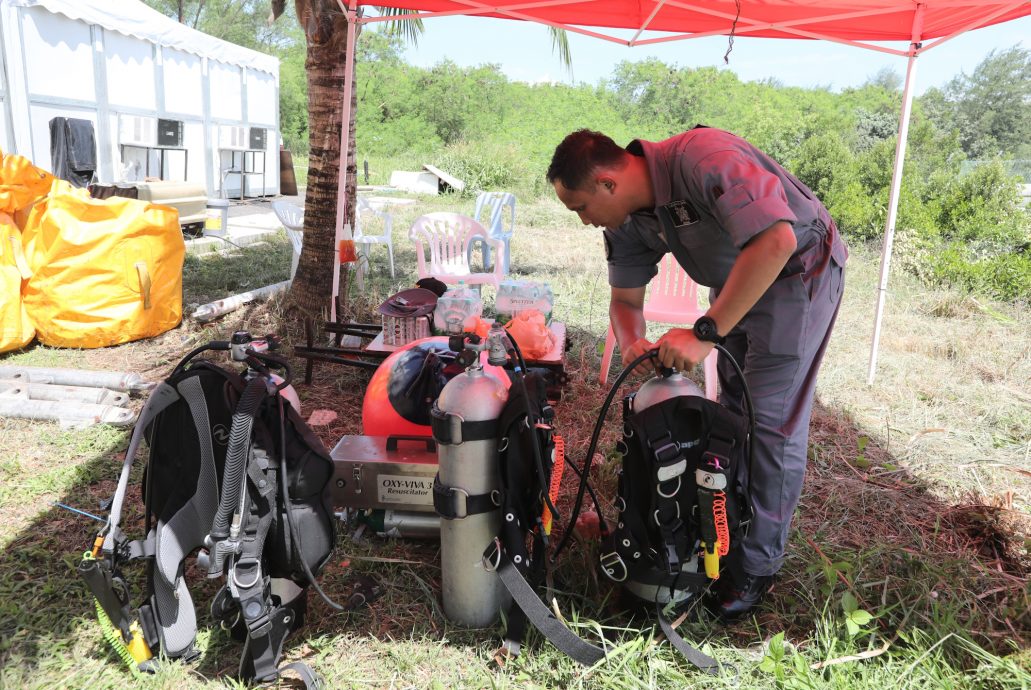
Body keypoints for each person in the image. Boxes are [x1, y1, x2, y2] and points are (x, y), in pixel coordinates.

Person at [547, 127, 847, 620]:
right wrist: (632, 344)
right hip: (738, 281)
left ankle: (755, 568)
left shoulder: (703, 158)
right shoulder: (625, 221)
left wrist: (705, 332)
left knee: (769, 421)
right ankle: (721, 535)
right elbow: (625, 302)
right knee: (731, 419)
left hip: (797, 271)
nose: (583, 221)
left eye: (580, 207)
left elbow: (776, 238)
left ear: (606, 182)